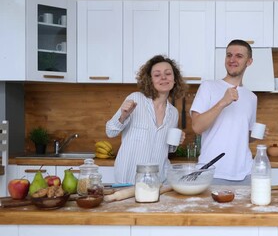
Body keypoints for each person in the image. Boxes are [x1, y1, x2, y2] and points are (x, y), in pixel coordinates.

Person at [106, 55, 187, 184]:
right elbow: (110, 131)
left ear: (175, 79)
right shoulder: (136, 99)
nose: (163, 78)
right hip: (128, 178)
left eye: (168, 73)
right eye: (157, 75)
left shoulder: (173, 113)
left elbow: (168, 149)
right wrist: (123, 116)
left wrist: (176, 142)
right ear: (150, 80)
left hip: (157, 180)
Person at [190, 39, 260, 185]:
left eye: (239, 56)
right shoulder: (208, 87)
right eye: (229, 55)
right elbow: (197, 127)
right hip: (212, 172)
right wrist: (223, 102)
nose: (232, 60)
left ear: (249, 61)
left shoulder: (252, 98)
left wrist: (256, 135)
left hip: (245, 173)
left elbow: (243, 137)